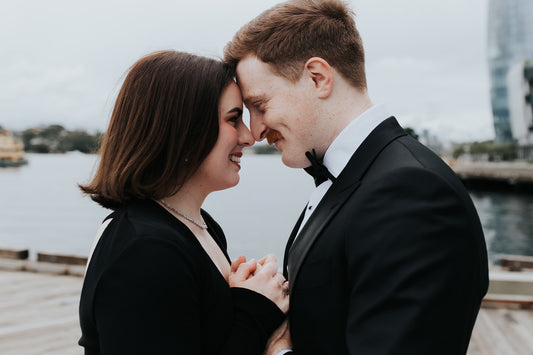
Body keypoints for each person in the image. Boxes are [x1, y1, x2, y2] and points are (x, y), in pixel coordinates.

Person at [224, 0, 489, 354]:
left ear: (318, 77)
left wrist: (277, 351)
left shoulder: (411, 194)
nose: (255, 131)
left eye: (260, 106)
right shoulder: (362, 175)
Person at [78, 50, 289, 354]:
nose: (249, 136)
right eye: (233, 119)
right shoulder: (144, 250)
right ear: (185, 129)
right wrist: (256, 310)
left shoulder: (199, 226)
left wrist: (243, 295)